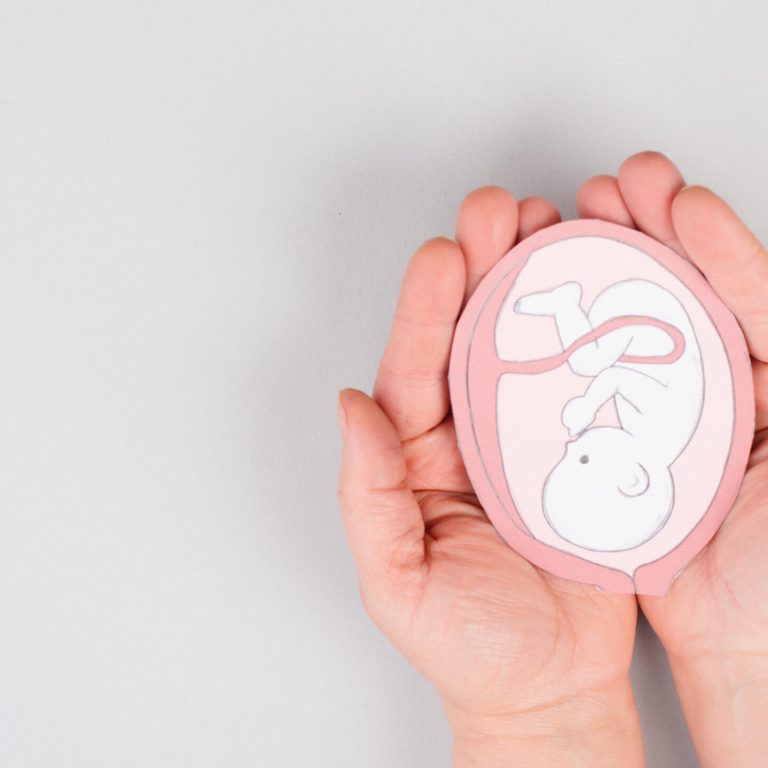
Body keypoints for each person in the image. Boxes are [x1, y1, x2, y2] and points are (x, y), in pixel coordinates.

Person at [336, 151, 768, 767]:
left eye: (570, 463)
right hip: (646, 311)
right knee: (592, 366)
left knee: (592, 365)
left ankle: (566, 299)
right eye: (587, 465)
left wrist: (535, 722)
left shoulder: (653, 444)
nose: (573, 450)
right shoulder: (666, 429)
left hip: (636, 326)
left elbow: (616, 382)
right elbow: (623, 378)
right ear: (635, 479)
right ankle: (567, 299)